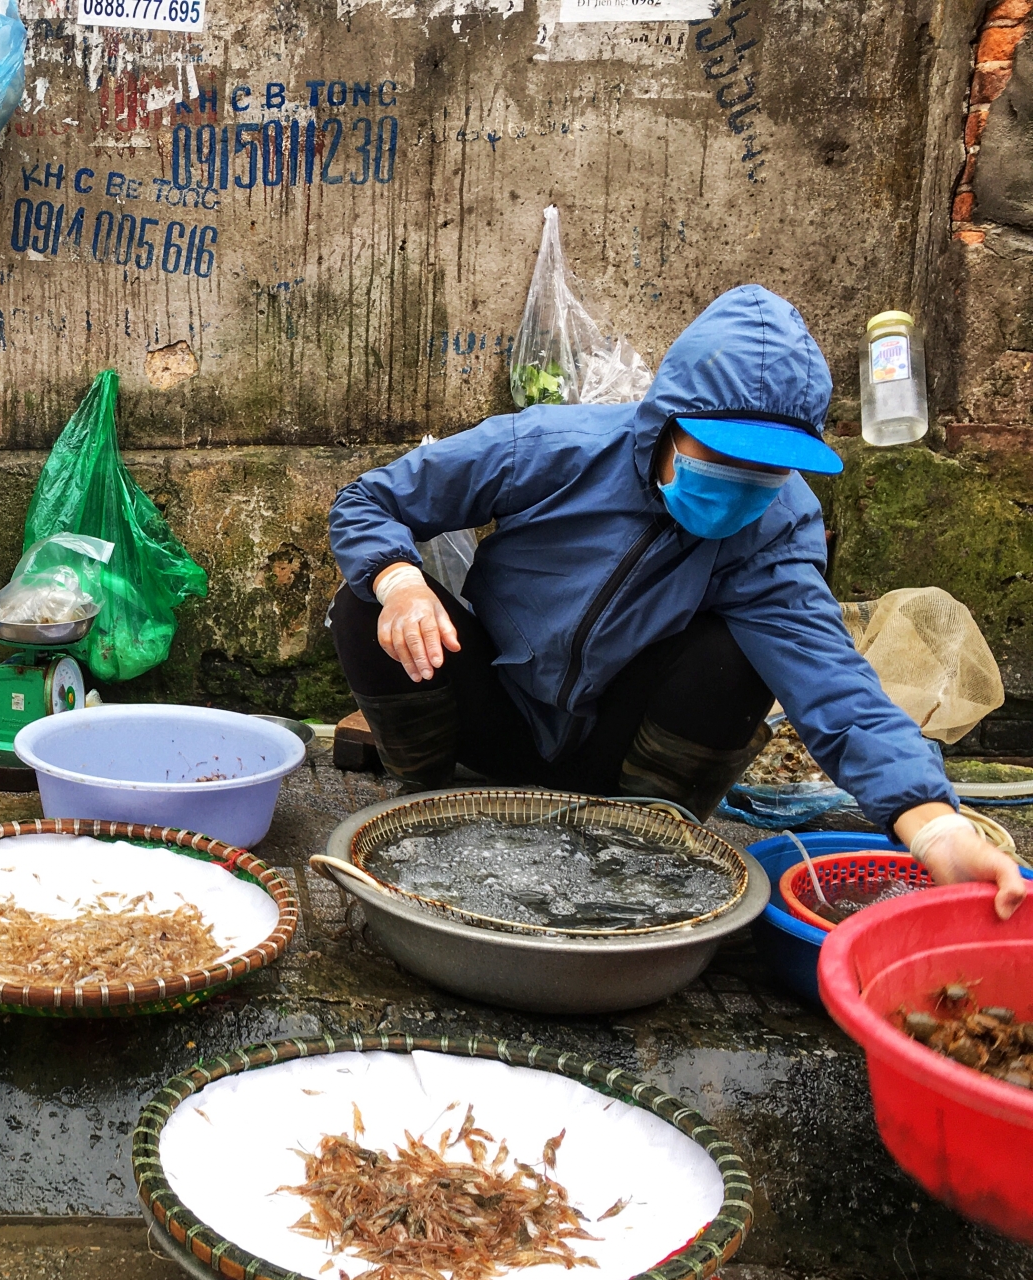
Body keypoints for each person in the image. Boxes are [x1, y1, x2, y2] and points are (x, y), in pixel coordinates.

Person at [327, 284, 1024, 917]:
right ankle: (423, 798)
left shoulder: (778, 528)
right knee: (365, 605)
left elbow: (836, 688)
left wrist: (933, 826)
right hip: (496, 716)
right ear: (666, 420)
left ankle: (642, 845)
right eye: (720, 457)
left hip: (618, 751)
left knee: (738, 656)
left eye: (767, 470)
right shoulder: (549, 447)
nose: (743, 485)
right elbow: (368, 501)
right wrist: (402, 582)